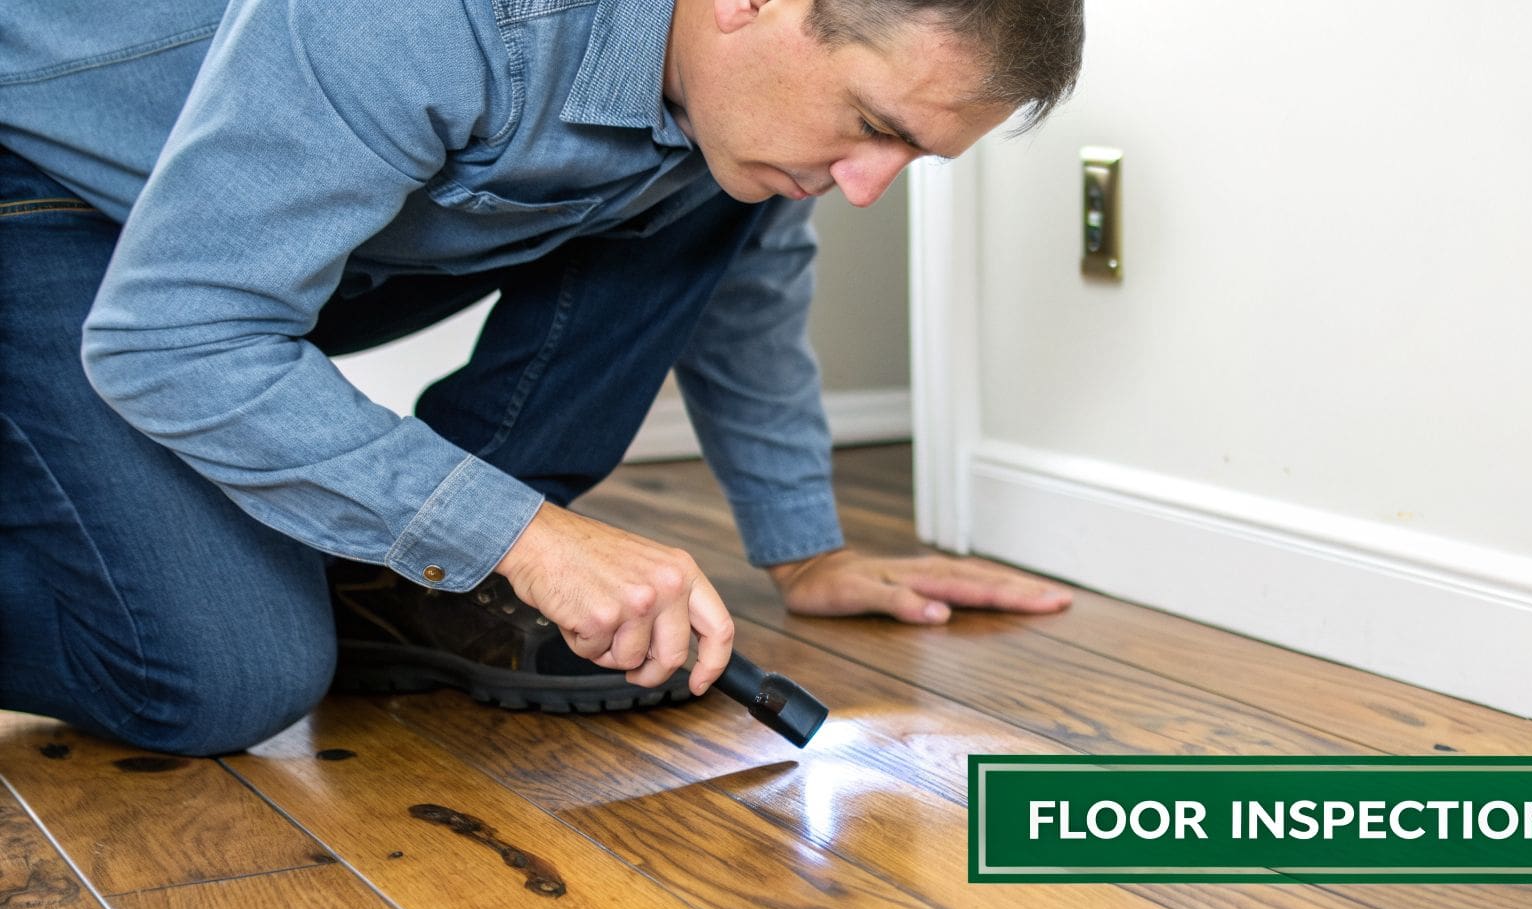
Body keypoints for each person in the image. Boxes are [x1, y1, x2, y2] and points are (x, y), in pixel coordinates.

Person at [0, 0, 1086, 755]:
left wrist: (808, 551)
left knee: (720, 200)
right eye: (871, 127)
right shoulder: (434, 18)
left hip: (297, 233)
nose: (865, 189)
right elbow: (178, 335)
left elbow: (743, 287)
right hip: (58, 192)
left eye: (911, 158)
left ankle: (406, 593)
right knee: (227, 677)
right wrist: (529, 536)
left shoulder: (738, 105)